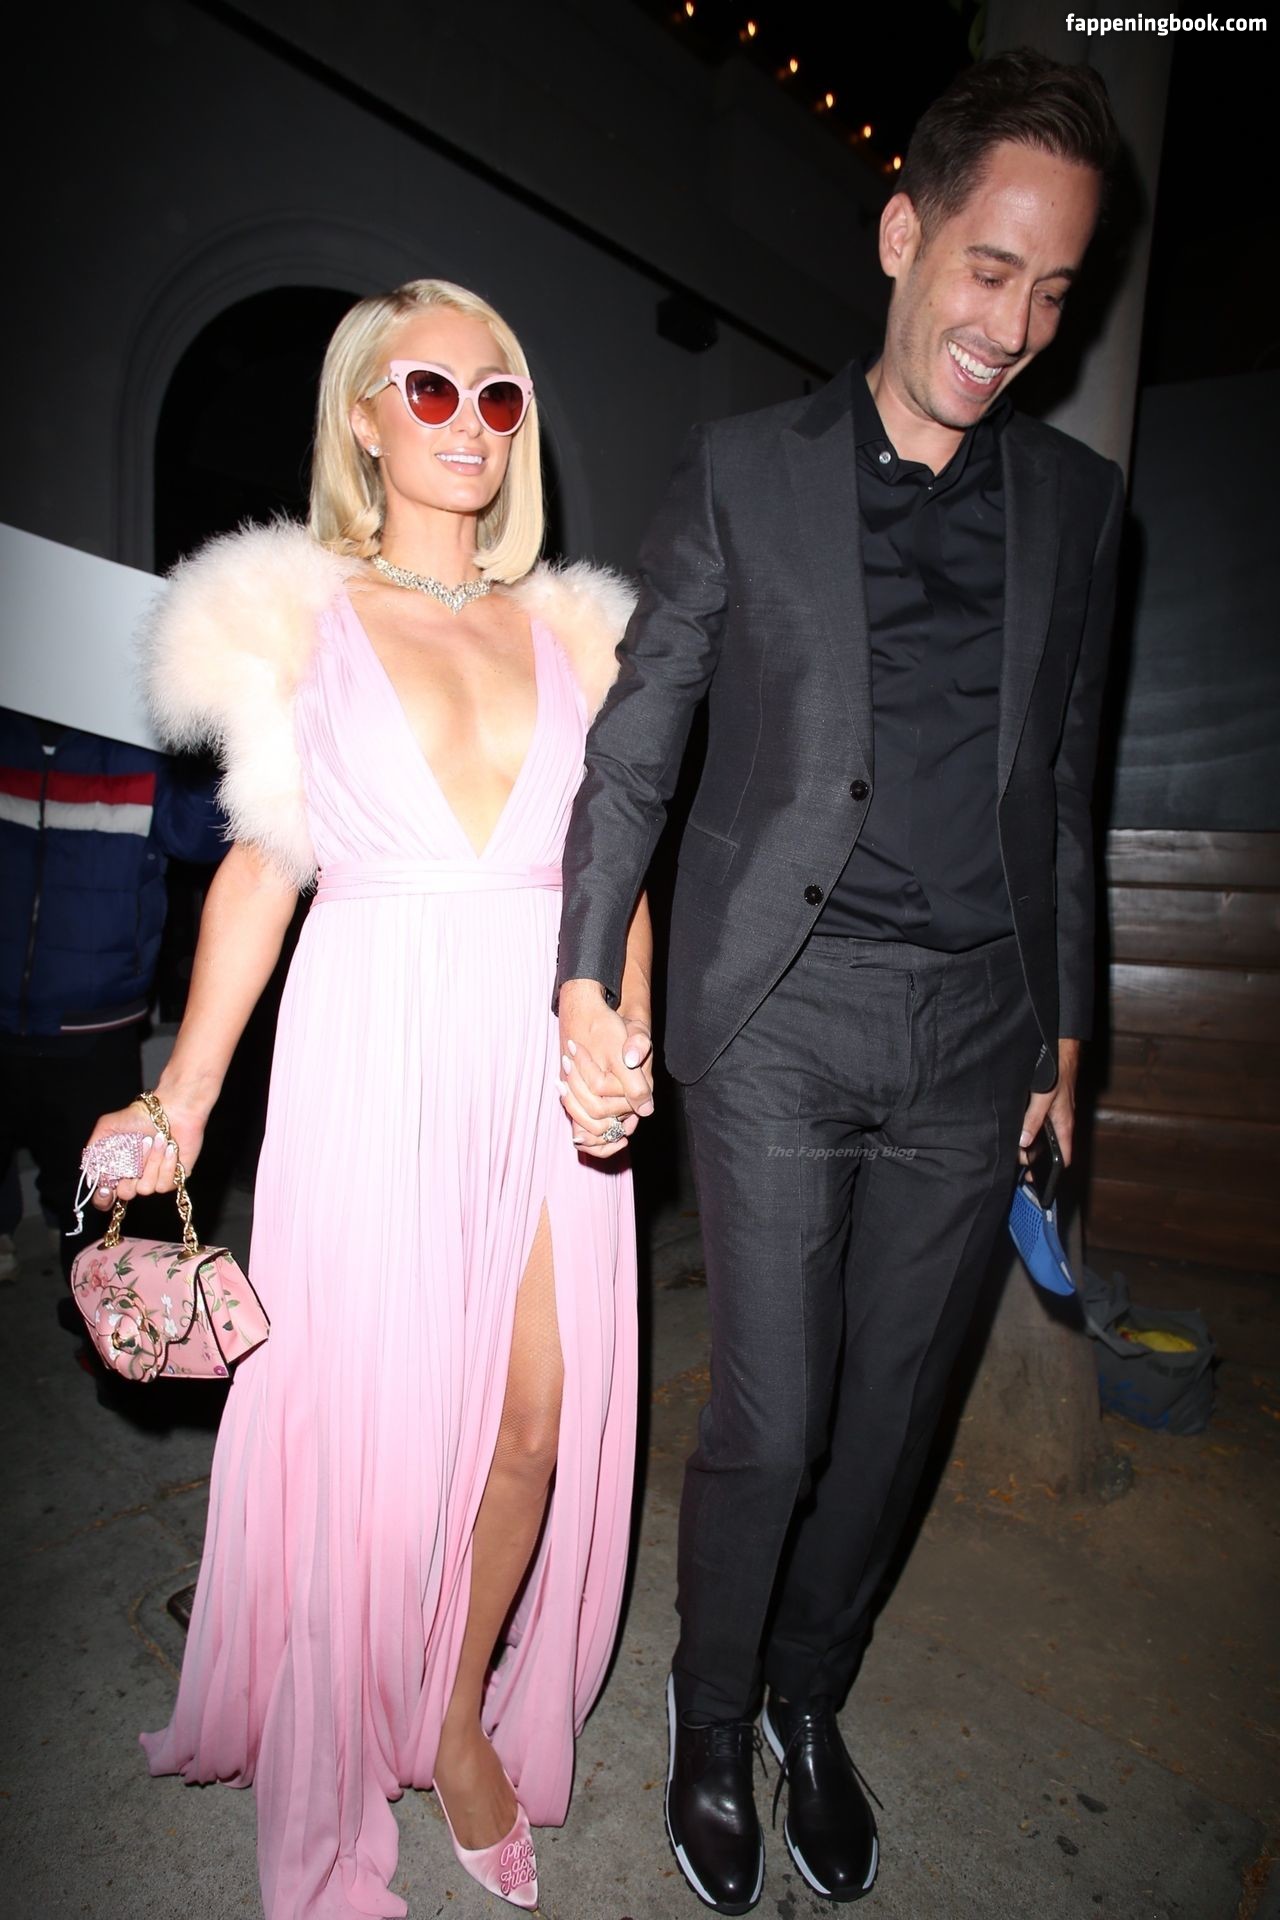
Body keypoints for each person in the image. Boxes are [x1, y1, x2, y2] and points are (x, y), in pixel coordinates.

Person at [555, 49, 1124, 1914]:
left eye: (1055, 293)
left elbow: (1064, 791)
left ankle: (811, 1697)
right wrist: (585, 971)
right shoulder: (747, 473)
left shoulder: (1081, 509)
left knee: (890, 1428)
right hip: (783, 1013)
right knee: (776, 1420)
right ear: (903, 234)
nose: (1013, 327)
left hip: (978, 1039)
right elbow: (637, 747)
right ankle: (711, 1712)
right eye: (988, 268)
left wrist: (1064, 1042)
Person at [83, 278, 649, 1919]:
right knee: (380, 1434)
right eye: (431, 389)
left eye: (499, 395)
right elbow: (263, 871)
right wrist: (185, 1095)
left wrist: (626, 1032)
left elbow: (618, 869)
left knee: (534, 1421)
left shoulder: (578, 636)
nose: (470, 422)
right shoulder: (297, 618)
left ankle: (455, 1709)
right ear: (362, 416)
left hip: (542, 1043)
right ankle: (348, 1727)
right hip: (375, 1042)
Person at [0, 706, 224, 1280]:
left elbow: (203, 838)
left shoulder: (136, 740)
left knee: (101, 1210)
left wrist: (200, 726)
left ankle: (96, 1319)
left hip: (97, 1029)